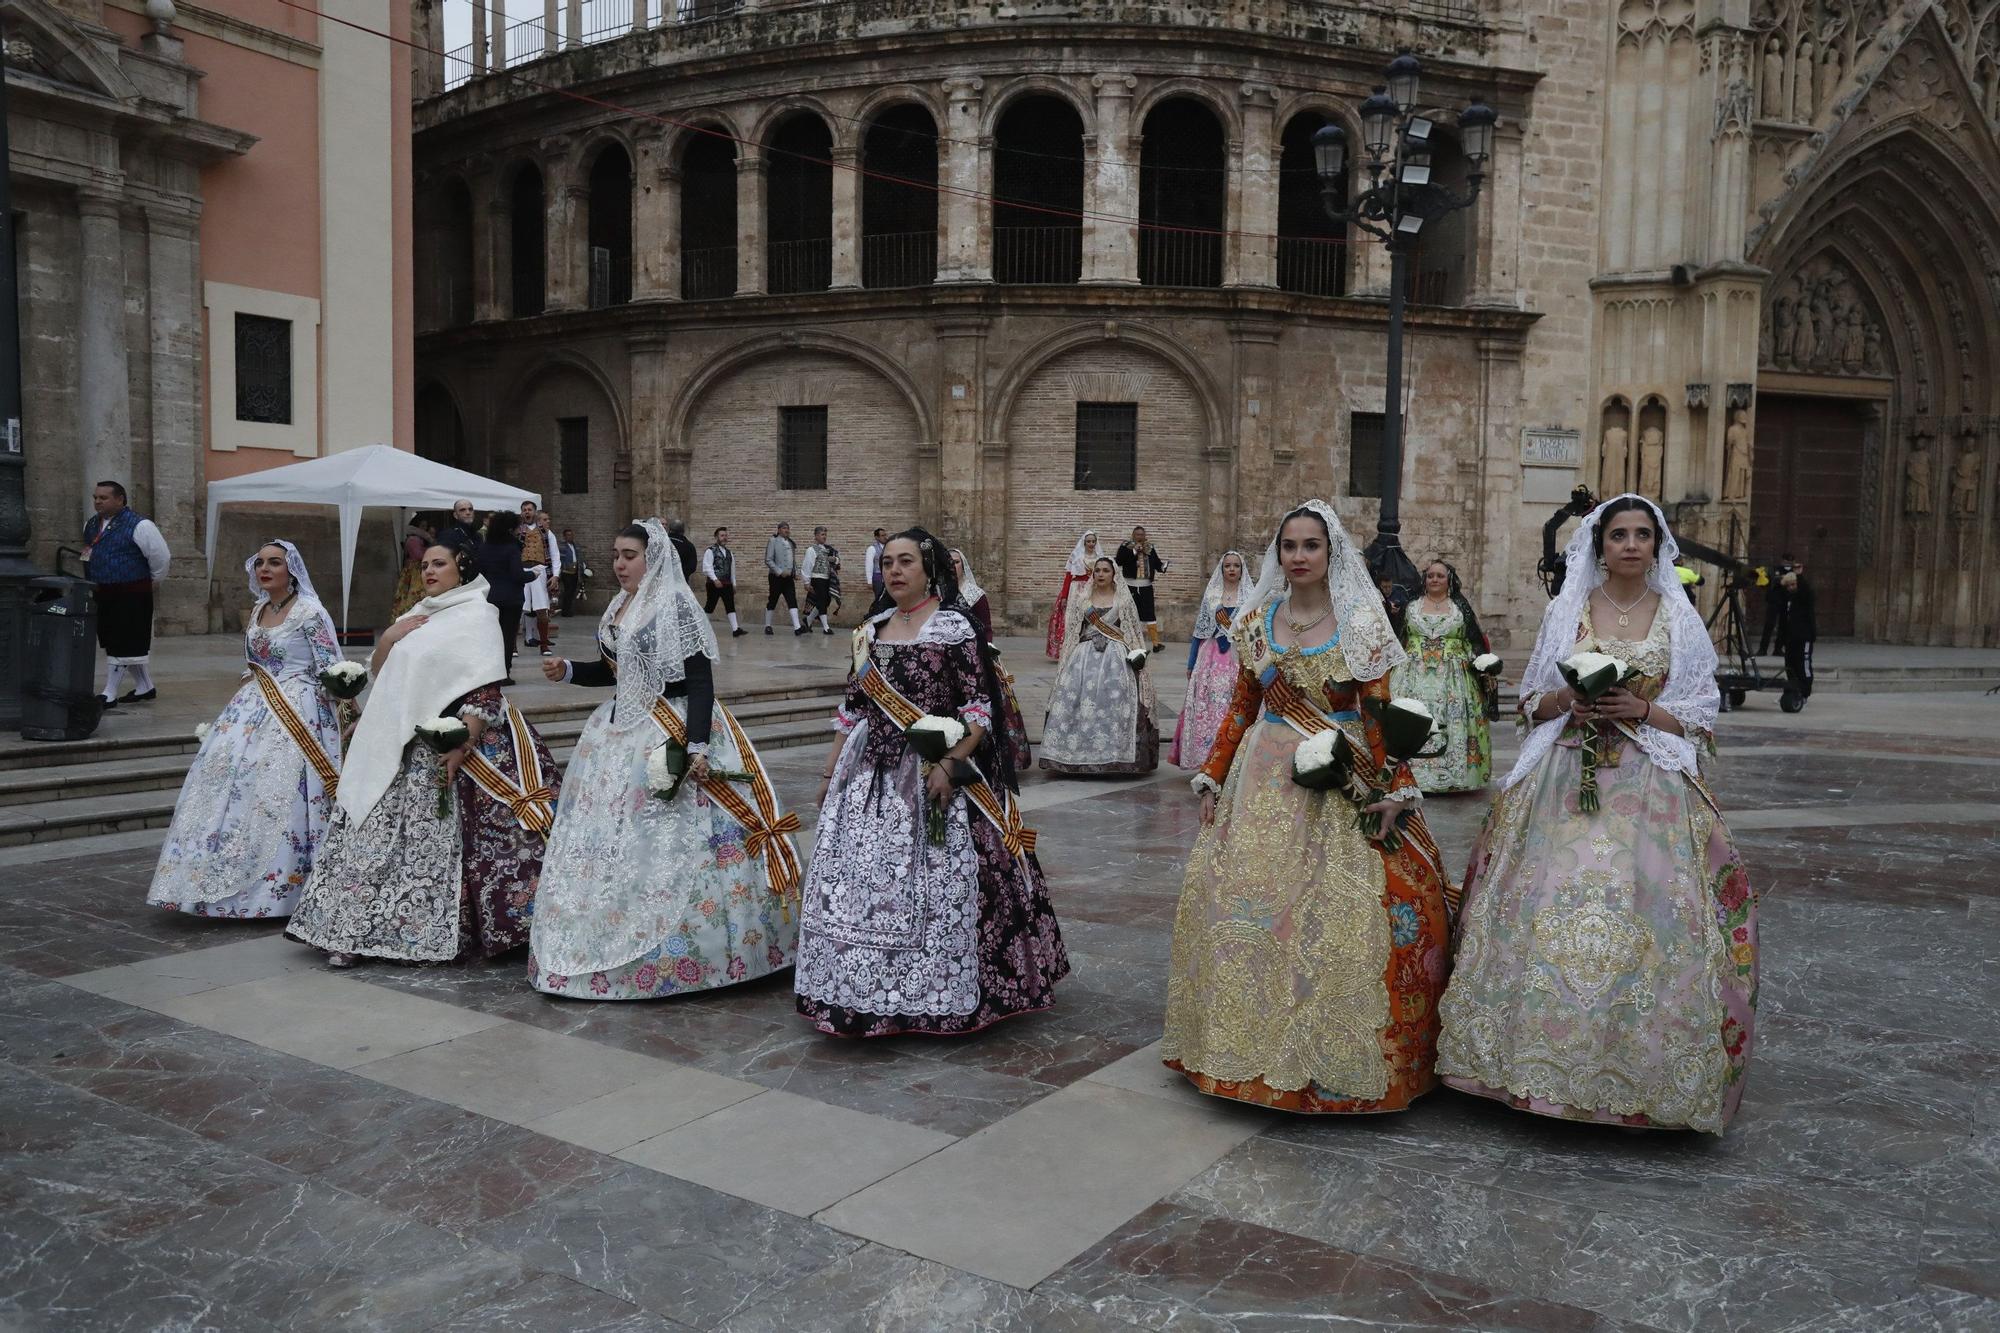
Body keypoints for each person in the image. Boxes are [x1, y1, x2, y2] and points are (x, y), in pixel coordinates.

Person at [1436, 494, 1757, 1134]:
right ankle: (1531, 1063)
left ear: (1657, 545)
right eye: (1619, 535)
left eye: (1642, 534)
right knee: (1549, 902)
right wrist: (1568, 704)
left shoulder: (1678, 615)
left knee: (1647, 913)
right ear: (1599, 545)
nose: (1630, 545)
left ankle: (1635, 1074)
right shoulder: (1569, 609)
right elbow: (1531, 700)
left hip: (1648, 785)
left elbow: (1700, 711)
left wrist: (1642, 712)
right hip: (1564, 776)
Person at [1161, 501, 1456, 1114]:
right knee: (1251, 906)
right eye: (1289, 546)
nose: (1298, 557)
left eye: (1310, 546)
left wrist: (1394, 787)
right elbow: (1241, 708)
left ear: (1331, 553)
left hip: (1340, 774)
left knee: (1340, 909)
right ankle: (1242, 1045)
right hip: (1263, 776)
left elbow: (1379, 713)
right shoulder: (1255, 621)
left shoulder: (1361, 623)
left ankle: (1331, 1054)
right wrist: (1213, 776)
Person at [795, 528, 1068, 1036]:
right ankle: (859, 990)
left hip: (932, 775)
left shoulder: (954, 629)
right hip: (868, 775)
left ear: (928, 570)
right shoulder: (870, 630)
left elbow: (979, 710)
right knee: (861, 885)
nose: (894, 571)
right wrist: (831, 771)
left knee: (947, 885)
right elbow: (853, 707)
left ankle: (936, 992)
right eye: (888, 563)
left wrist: (949, 764)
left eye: (905, 562)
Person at [530, 520, 800, 999]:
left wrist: (695, 746)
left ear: (652, 558)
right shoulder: (620, 605)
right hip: (617, 737)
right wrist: (569, 669)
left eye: (629, 554)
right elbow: (619, 675)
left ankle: (705, 949)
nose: (619, 563)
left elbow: (698, 682)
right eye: (615, 553)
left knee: (674, 838)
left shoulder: (676, 606)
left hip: (671, 731)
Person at [287, 540, 558, 968]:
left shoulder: (477, 614)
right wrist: (391, 637)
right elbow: (384, 671)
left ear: (461, 570)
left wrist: (463, 743)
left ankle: (424, 930)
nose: (429, 571)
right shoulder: (417, 615)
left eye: (440, 564)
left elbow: (484, 685)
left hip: (452, 739)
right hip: (398, 740)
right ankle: (349, 928)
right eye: (425, 565)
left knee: (438, 843)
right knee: (368, 834)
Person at [147, 541, 344, 919]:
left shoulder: (310, 612)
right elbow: (253, 664)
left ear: (292, 571)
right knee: (230, 789)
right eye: (260, 563)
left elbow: (331, 669)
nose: (265, 569)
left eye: (275, 563)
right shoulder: (258, 610)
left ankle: (285, 889)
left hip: (298, 712)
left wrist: (335, 716)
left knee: (280, 793)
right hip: (251, 709)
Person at [1040, 555, 1159, 776]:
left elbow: (1133, 633)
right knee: (1077, 700)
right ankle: (1075, 756)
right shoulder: (1083, 600)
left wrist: (1138, 660)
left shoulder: (1123, 600)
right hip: (1083, 657)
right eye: (1098, 571)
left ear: (1114, 574)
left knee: (1114, 699)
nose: (1101, 574)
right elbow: (1073, 633)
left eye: (1106, 570)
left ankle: (1116, 757)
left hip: (1116, 658)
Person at [1390, 558, 1493, 793]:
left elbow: (1473, 640)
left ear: (1449, 580)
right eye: (1430, 576)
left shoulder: (1460, 608)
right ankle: (1408, 776)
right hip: (1412, 675)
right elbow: (1397, 638)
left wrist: (1483, 665)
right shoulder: (1411, 606)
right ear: (1424, 580)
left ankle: (1454, 775)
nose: (1434, 579)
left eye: (1440, 576)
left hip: (1454, 678)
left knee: (1453, 720)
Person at [82, 480, 173, 705]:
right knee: (115, 640)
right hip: (104, 592)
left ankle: (109, 692)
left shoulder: (141, 525)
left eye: (103, 498)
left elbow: (161, 557)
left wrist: (153, 580)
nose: (97, 501)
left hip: (131, 593)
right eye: (95, 497)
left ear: (120, 499)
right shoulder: (91, 524)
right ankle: (145, 686)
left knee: (124, 641)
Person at [952, 547, 1032, 772]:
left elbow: (986, 628)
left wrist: (982, 654)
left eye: (956, 562)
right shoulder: (935, 594)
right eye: (947, 562)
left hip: (975, 656)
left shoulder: (975, 595)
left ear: (963, 565)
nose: (952, 566)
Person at [1168, 551, 1246, 770]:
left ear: (1242, 570)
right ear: (1221, 570)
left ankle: (1233, 758)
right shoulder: (1212, 597)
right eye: (1227, 566)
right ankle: (1205, 756)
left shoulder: (1249, 597)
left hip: (1237, 655)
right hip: (1210, 657)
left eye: (1236, 566)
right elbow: (1199, 633)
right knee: (1208, 706)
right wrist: (1191, 663)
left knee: (1233, 704)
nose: (1231, 569)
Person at [475, 513, 536, 683]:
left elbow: (480, 572)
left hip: (489, 597)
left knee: (491, 636)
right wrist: (533, 575)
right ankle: (504, 673)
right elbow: (517, 574)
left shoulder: (485, 547)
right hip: (510, 598)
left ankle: (489, 673)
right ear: (510, 529)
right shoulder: (512, 548)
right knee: (507, 636)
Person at [1044, 529, 1099, 661]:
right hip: (1076, 590)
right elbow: (1068, 577)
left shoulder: (1099, 558)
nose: (1091, 544)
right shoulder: (1076, 557)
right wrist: (1064, 596)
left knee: (1091, 618)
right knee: (1072, 619)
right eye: (1088, 541)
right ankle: (1067, 649)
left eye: (1093, 541)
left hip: (1092, 589)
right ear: (1084, 543)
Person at [1115, 526, 1169, 652]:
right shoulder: (1125, 546)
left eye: (1142, 535)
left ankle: (1156, 644)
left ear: (1145, 536)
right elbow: (1119, 561)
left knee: (1150, 613)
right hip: (1130, 585)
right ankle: (1131, 642)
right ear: (1133, 535)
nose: (1140, 537)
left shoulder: (1150, 548)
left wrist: (1162, 567)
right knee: (1130, 613)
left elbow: (1156, 563)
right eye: (1137, 534)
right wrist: (1134, 551)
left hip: (1146, 587)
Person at [520, 502, 560, 655]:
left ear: (535, 512)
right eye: (524, 510)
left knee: (542, 608)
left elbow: (555, 555)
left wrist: (555, 575)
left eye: (529, 510)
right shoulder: (517, 532)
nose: (527, 512)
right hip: (521, 570)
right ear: (521, 513)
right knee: (519, 607)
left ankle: (544, 644)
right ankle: (514, 647)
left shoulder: (546, 533)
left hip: (539, 571)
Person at [1780, 562, 1815, 708]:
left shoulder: (1805, 597)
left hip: (1804, 637)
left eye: (1793, 585)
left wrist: (1799, 575)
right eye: (1788, 586)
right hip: (1791, 638)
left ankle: (1804, 692)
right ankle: (1793, 691)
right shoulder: (1788, 599)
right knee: (1790, 665)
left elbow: (1805, 591)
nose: (1791, 588)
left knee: (1803, 665)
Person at [701, 526, 745, 637]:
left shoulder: (729, 553)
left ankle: (736, 629)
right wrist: (715, 579)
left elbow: (732, 569)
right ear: (716, 537)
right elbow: (707, 567)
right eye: (722, 535)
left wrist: (734, 583)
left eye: (726, 535)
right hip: (714, 584)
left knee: (730, 606)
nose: (724, 538)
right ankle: (702, 629)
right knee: (710, 605)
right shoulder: (710, 551)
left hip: (727, 583)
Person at [392, 518, 434, 619]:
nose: (424, 528)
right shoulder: (413, 539)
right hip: (414, 571)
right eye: (422, 525)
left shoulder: (419, 539)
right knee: (413, 594)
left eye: (425, 526)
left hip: (416, 569)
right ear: (416, 525)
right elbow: (418, 555)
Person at [764, 521, 800, 635]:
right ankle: (768, 625)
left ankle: (797, 627)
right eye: (784, 528)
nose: (787, 530)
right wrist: (779, 572)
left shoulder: (790, 543)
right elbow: (768, 560)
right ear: (779, 530)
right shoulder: (773, 541)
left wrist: (795, 572)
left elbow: (793, 560)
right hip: (776, 577)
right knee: (773, 600)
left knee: (792, 600)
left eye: (788, 528)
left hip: (788, 578)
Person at [799, 525, 835, 636]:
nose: (824, 537)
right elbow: (807, 565)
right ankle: (826, 627)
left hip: (826, 579)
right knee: (822, 601)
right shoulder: (811, 550)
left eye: (825, 535)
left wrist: (835, 559)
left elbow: (836, 560)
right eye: (822, 534)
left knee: (825, 601)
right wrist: (806, 581)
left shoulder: (827, 549)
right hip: (817, 578)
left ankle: (808, 620)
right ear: (816, 536)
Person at [558, 527, 582, 616]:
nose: (570, 537)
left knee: (572, 591)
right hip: (566, 572)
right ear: (564, 536)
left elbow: (578, 557)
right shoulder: (562, 546)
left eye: (571, 535)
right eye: (568, 535)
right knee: (567, 591)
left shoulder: (575, 546)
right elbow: (560, 558)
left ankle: (570, 610)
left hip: (575, 571)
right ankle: (565, 611)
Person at [864, 528, 888, 601]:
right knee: (879, 599)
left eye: (885, 535)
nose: (885, 537)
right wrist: (869, 581)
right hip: (878, 578)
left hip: (888, 577)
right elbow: (869, 565)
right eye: (882, 535)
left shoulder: (888, 547)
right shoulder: (872, 548)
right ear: (877, 537)